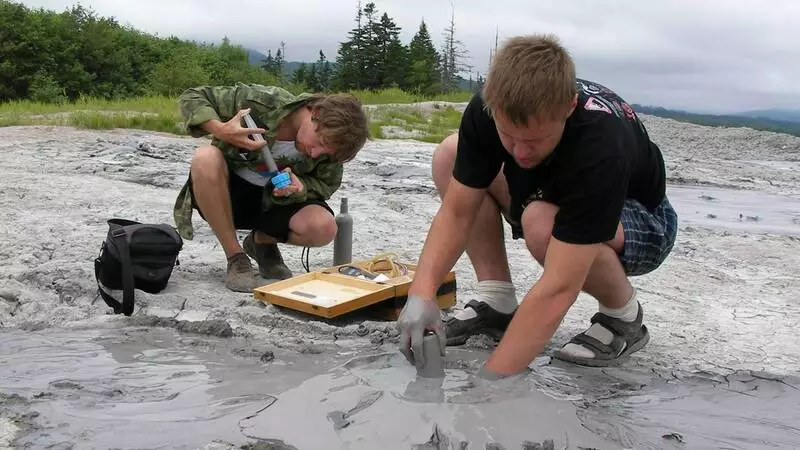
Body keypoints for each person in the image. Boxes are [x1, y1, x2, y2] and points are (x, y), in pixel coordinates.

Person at [397, 34, 678, 377]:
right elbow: (457, 212)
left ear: (569, 107)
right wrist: (422, 292)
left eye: (534, 140)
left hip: (642, 220)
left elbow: (559, 287)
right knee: (451, 155)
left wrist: (491, 381)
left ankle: (623, 316)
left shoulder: (601, 143)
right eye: (508, 135)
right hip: (550, 192)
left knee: (542, 224)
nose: (519, 152)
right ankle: (497, 300)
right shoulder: (488, 107)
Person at [172, 83, 369, 292]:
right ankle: (236, 257)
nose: (315, 154)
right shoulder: (262, 101)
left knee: (324, 228)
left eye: (325, 152)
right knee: (205, 157)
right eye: (319, 142)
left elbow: (326, 185)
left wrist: (301, 187)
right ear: (317, 113)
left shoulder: (333, 145)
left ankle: (260, 242)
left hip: (276, 204)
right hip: (228, 196)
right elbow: (192, 95)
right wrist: (221, 130)